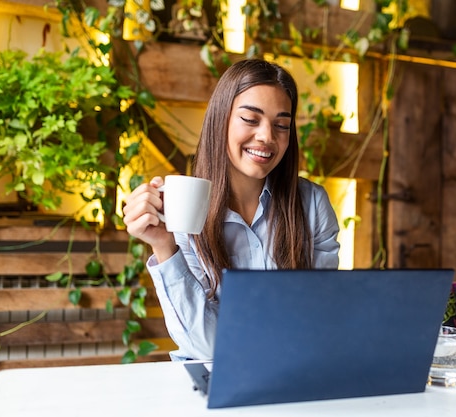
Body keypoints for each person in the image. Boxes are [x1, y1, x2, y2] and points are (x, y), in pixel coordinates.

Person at [123, 59, 341, 361]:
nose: (267, 136)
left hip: (291, 373)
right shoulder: (184, 210)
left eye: (281, 125)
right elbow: (205, 346)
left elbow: (317, 322)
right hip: (212, 382)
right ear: (220, 120)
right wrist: (164, 245)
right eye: (251, 119)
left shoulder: (312, 205)